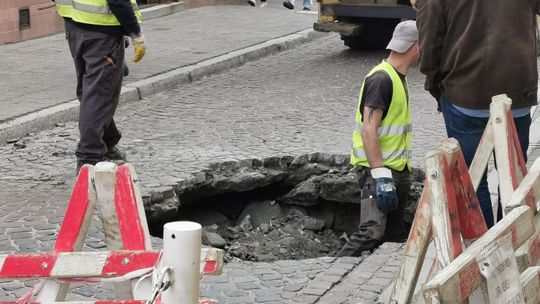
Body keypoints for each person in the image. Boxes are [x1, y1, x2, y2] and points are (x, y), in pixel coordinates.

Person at [416, 0, 539, 228]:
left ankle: (484, 249)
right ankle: (510, 238)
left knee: (474, 180)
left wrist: (434, 81)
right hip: (517, 88)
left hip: (465, 90)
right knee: (512, 177)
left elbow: (430, 38)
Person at [337, 20, 419, 257]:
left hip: (397, 169)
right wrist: (381, 174)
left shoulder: (397, 77)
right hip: (379, 171)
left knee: (393, 236)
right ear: (416, 47)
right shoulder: (381, 80)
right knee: (372, 231)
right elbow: (368, 130)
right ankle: (333, 268)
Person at [54, 0, 147, 173]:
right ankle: (90, 157)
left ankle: (108, 143)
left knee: (92, 92)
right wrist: (135, 32)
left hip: (74, 27)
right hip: (101, 31)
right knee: (98, 95)